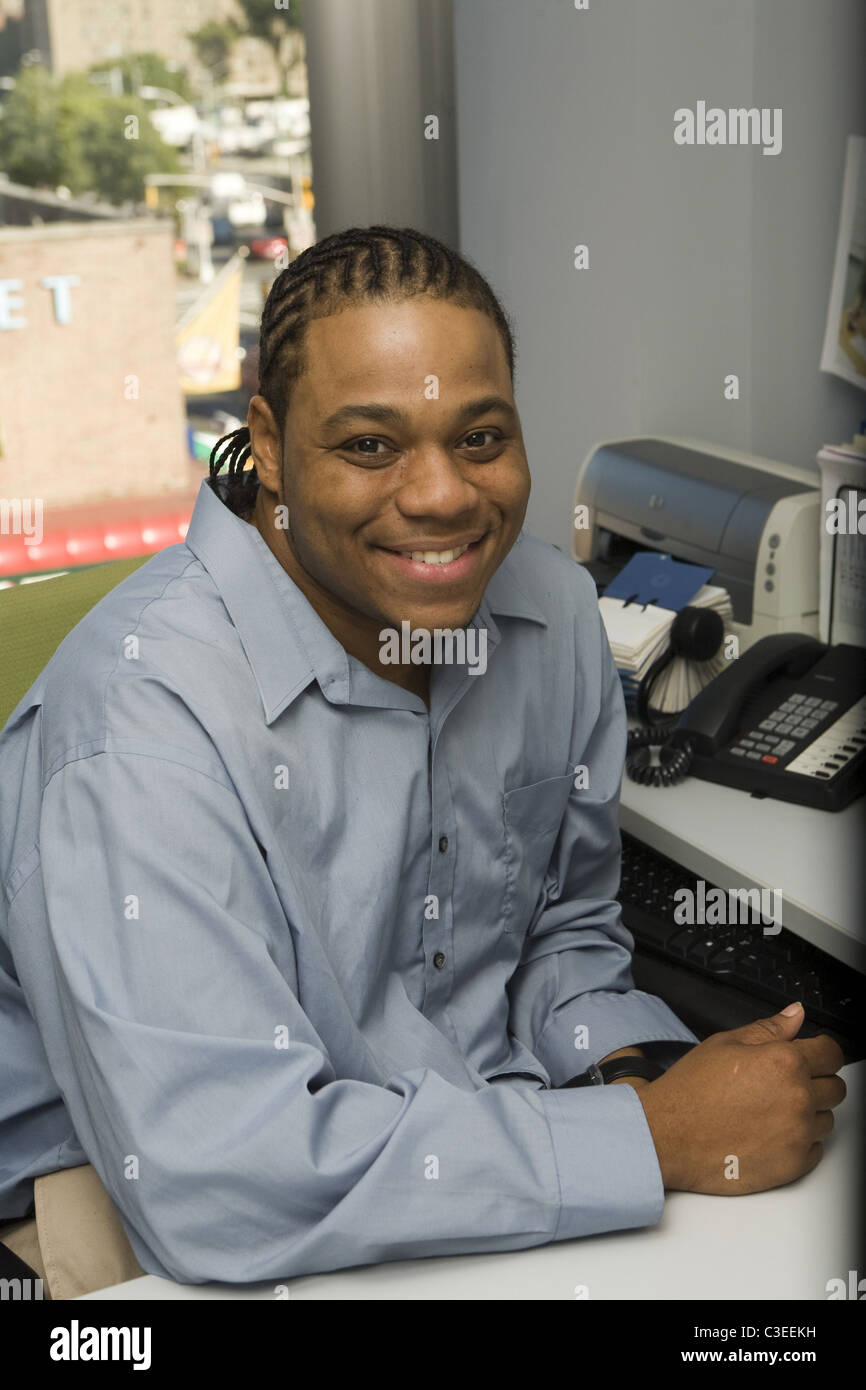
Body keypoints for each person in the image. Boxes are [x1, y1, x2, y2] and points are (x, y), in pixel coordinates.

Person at [0, 226, 846, 1296]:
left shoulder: (547, 613)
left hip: (473, 1135)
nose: (443, 495)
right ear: (265, 442)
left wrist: (627, 1071)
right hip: (153, 1217)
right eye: (369, 446)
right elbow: (223, 1179)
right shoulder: (137, 730)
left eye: (480, 436)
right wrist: (646, 1136)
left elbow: (560, 928)